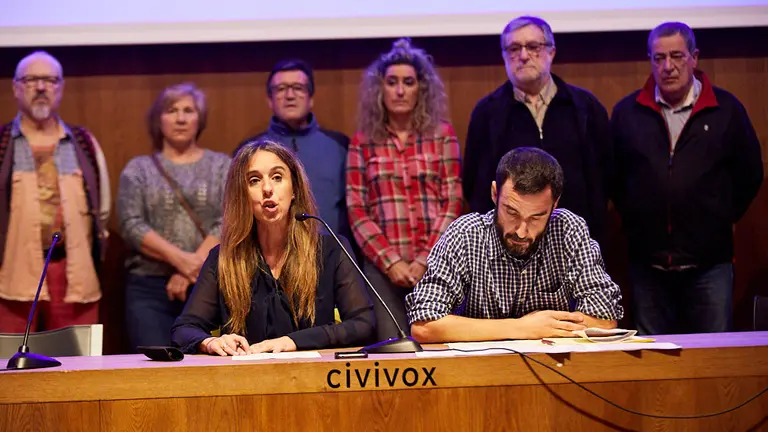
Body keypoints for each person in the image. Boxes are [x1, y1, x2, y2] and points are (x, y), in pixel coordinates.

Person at [610, 22, 763, 335]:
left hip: (710, 266)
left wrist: (722, 215)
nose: (668, 67)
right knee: (654, 365)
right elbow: (613, 176)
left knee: (713, 361)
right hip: (647, 266)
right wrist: (639, 219)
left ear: (694, 57)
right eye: (659, 58)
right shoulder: (627, 112)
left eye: (677, 56)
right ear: (650, 60)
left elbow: (750, 173)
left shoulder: (726, 109)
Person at [171, 140, 375, 355]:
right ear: (242, 195)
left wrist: (291, 342)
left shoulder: (331, 249)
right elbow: (184, 329)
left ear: (294, 188)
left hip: (313, 379)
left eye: (277, 178)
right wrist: (210, 343)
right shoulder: (224, 258)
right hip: (245, 381)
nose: (267, 189)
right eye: (254, 180)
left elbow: (363, 323)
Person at [406, 147, 624, 343]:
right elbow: (425, 326)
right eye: (511, 212)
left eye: (536, 217)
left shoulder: (569, 230)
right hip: (479, 375)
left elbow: (604, 319)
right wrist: (522, 328)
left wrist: (542, 327)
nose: (522, 231)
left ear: (555, 204)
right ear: (494, 193)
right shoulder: (465, 234)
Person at [346, 38, 463, 341]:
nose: (400, 91)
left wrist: (425, 258)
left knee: (441, 347)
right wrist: (392, 261)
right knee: (392, 352)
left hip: (437, 264)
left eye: (408, 82)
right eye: (392, 82)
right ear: (379, 89)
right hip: (383, 270)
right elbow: (357, 209)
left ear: (421, 89)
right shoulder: (363, 140)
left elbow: (452, 201)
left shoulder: (442, 135)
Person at [461, 16, 613, 247]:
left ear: (551, 52)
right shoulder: (487, 112)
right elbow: (475, 183)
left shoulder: (584, 107)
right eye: (514, 48)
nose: (523, 56)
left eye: (533, 47)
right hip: (511, 247)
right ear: (504, 56)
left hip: (574, 244)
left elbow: (606, 176)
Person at [0, 51, 110, 333]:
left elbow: (103, 210)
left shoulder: (82, 142)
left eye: (49, 80)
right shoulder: (1, 143)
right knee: (10, 369)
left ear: (60, 88)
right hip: (11, 275)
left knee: (77, 366)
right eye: (31, 79)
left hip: (72, 273)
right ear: (15, 87)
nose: (40, 87)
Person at [117, 83, 231, 350]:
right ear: (159, 119)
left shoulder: (222, 166)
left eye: (188, 110)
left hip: (210, 286)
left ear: (200, 119)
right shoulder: (138, 169)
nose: (180, 118)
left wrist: (194, 270)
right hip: (148, 289)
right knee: (154, 372)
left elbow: (229, 219)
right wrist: (183, 261)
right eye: (172, 110)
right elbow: (131, 224)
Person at [234, 60, 354, 251]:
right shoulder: (250, 151)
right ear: (269, 99)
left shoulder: (341, 146)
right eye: (281, 89)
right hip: (269, 257)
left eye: (298, 88)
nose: (290, 95)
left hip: (331, 256)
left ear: (311, 97)